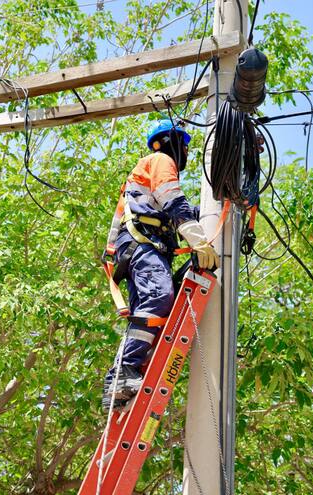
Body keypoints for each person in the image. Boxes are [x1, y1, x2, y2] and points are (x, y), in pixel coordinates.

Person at [101, 120, 220, 411]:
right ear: (169, 142)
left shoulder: (149, 175)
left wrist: (212, 210)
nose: (188, 151)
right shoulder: (160, 160)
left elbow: (181, 210)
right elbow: (173, 201)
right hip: (142, 246)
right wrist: (199, 243)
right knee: (158, 298)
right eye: (186, 145)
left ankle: (122, 377)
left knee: (149, 314)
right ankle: (124, 373)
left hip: (139, 249)